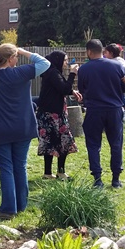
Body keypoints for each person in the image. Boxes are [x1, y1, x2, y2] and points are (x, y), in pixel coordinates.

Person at [0, 44, 49, 219]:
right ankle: (21, 205)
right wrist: (24, 51)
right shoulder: (21, 73)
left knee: (6, 168)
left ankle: (9, 209)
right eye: (16, 56)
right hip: (23, 128)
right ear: (11, 59)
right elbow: (45, 63)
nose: (18, 59)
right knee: (20, 166)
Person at [77, 39, 125, 189]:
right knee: (116, 144)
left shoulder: (84, 69)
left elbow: (82, 89)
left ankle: (97, 179)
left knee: (93, 145)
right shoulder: (116, 66)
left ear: (89, 51)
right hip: (114, 110)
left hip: (94, 110)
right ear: (102, 50)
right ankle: (116, 180)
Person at [36, 51, 79, 180]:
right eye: (65, 60)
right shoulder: (53, 72)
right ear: (58, 60)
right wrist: (72, 74)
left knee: (52, 142)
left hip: (49, 113)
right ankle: (59, 172)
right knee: (63, 141)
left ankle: (49, 173)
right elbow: (63, 88)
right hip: (53, 114)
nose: (66, 63)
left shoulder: (51, 72)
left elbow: (59, 87)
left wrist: (72, 90)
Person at [103, 43, 125, 121]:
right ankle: (122, 109)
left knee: (120, 94)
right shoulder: (109, 60)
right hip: (115, 82)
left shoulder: (119, 60)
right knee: (117, 94)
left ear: (111, 53)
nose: (104, 54)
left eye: (106, 52)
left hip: (122, 81)